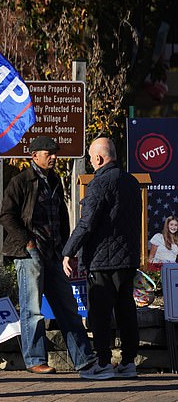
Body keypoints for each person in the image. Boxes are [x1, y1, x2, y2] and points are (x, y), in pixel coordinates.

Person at [0, 136, 96, 376]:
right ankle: (34, 360)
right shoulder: (20, 181)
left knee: (68, 307)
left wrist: (66, 250)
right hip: (29, 253)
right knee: (32, 309)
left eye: (55, 153)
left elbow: (62, 216)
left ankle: (84, 359)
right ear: (34, 156)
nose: (53, 156)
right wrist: (28, 242)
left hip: (53, 253)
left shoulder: (55, 180)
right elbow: (6, 216)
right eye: (48, 152)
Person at [63, 137, 142, 379]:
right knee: (126, 310)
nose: (90, 162)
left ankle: (103, 364)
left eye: (90, 158)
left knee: (100, 313)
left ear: (98, 158)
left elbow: (87, 223)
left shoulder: (99, 184)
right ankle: (128, 362)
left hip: (102, 260)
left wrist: (68, 251)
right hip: (127, 259)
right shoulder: (132, 182)